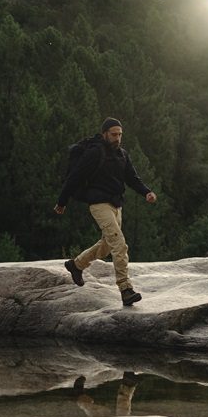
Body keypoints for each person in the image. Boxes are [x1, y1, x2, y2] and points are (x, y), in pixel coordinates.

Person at [53, 117, 157, 306]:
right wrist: (62, 202)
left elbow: (132, 178)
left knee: (107, 245)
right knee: (119, 245)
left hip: (116, 204)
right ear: (104, 134)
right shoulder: (95, 153)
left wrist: (147, 192)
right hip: (99, 204)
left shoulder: (122, 154)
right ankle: (125, 289)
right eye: (113, 134)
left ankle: (76, 265)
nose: (117, 138)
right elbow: (74, 177)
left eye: (120, 134)